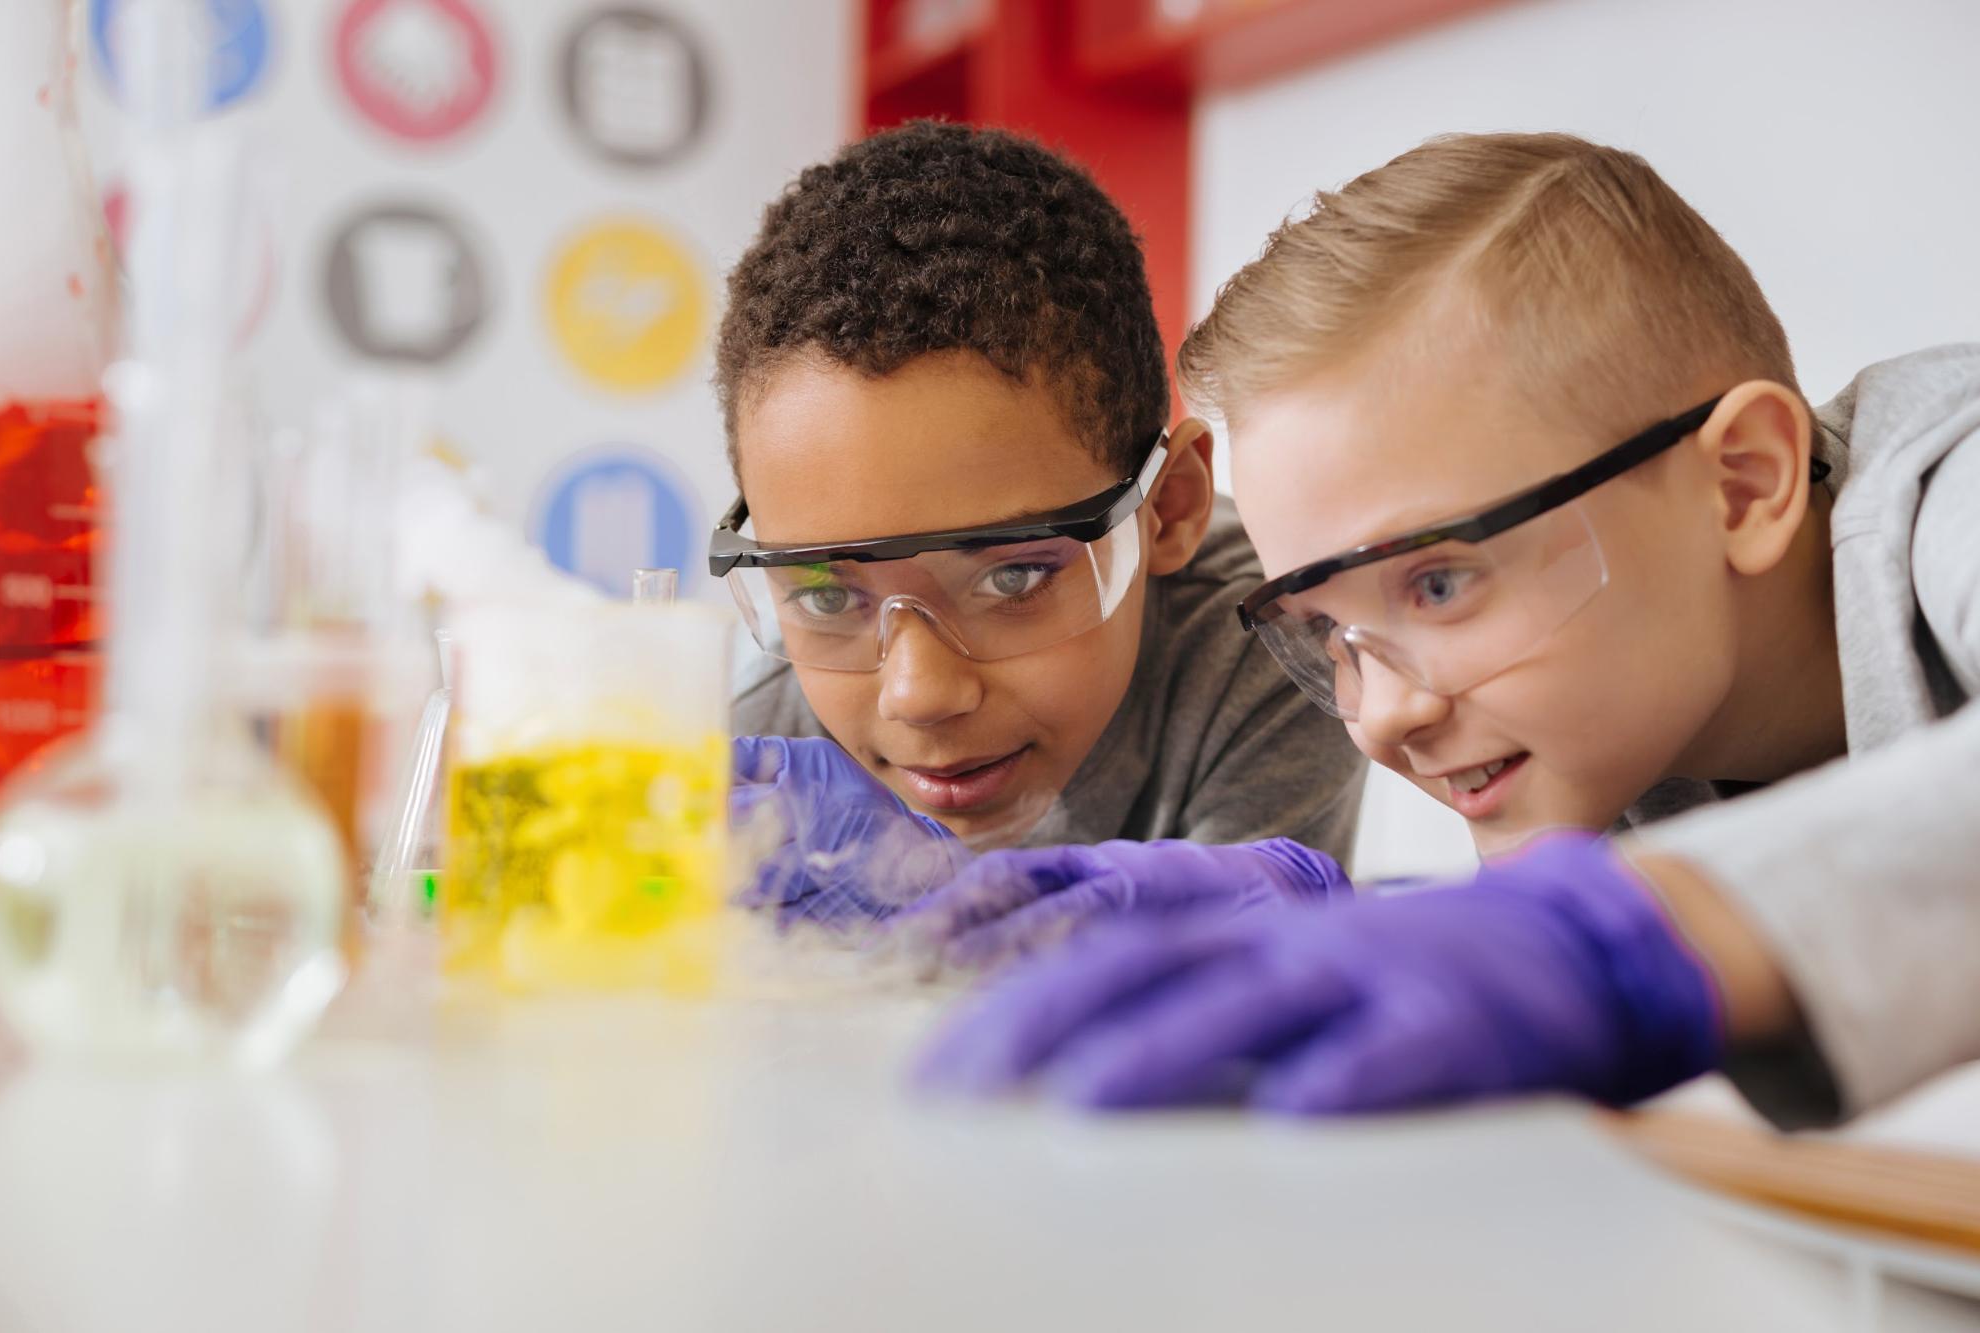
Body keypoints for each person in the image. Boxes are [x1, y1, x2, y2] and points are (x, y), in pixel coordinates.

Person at [912, 132, 1980, 1129]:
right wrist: (1340, 921)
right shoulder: (1640, 712)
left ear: (1742, 484)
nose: (1383, 716)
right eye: (1327, 630)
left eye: (1436, 585)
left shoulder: (1955, 491)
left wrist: (1618, 937)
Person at [710, 121, 1364, 925]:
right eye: (823, 593)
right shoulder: (774, 739)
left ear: (1169, 508)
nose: (919, 696)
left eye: (1011, 575)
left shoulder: (1270, 658)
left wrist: (922, 903)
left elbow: (1225, 1016)